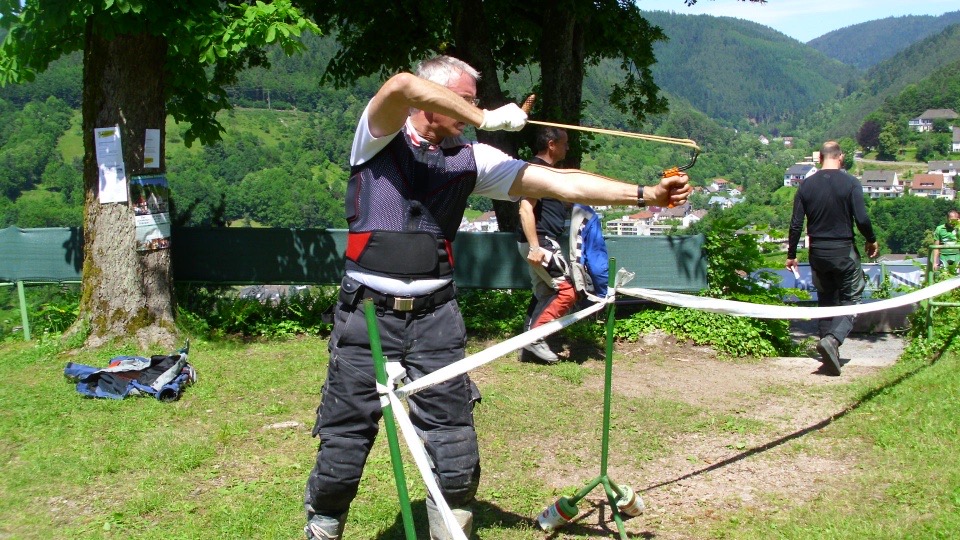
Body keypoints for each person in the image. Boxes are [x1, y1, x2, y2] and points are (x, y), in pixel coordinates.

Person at [303, 55, 691, 540]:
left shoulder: (473, 159)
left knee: (455, 452)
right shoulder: (377, 136)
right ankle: (323, 525)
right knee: (343, 445)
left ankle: (449, 527)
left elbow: (561, 182)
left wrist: (646, 195)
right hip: (365, 316)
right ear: (433, 97)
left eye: (472, 104)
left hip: (435, 319)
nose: (471, 110)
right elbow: (401, 84)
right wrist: (486, 118)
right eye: (464, 100)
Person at [786, 141, 879, 377]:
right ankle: (833, 340)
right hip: (843, 250)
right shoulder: (850, 182)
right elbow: (862, 217)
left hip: (817, 252)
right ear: (841, 157)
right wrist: (871, 239)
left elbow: (796, 224)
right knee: (852, 297)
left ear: (819, 159)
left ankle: (829, 357)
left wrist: (791, 254)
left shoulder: (806, 185)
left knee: (825, 300)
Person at [516, 126, 574, 364]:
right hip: (540, 243)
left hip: (541, 241)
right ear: (552, 144)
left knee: (545, 293)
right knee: (567, 291)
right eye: (564, 143)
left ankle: (528, 347)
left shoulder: (545, 171)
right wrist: (534, 247)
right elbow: (525, 208)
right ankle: (535, 339)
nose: (567, 147)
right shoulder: (538, 171)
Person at [932, 209, 960, 273]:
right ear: (947, 218)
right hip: (944, 256)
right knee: (944, 274)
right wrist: (935, 262)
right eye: (951, 220)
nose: (952, 223)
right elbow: (936, 247)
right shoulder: (940, 229)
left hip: (957, 255)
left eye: (955, 220)